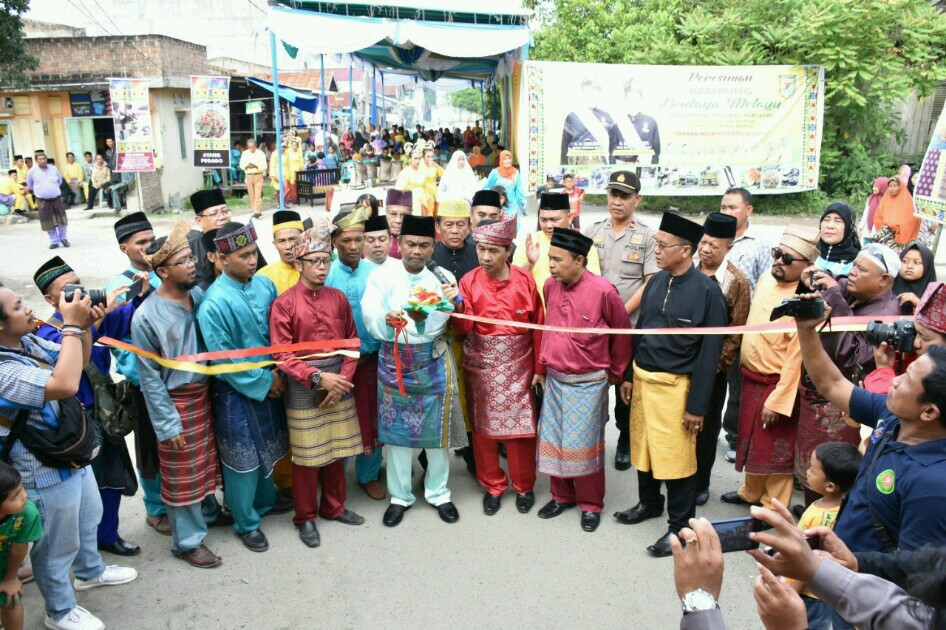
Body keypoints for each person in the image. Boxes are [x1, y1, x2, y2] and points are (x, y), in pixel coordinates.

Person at [0, 281, 138, 630]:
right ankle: (59, 611)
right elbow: (63, 385)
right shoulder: (2, 369)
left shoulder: (25, 340)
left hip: (69, 451)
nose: (29, 309)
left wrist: (85, 326)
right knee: (54, 546)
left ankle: (90, 572)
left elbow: (76, 361)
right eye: (18, 307)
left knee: (87, 518)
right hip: (40, 466)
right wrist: (72, 325)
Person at [793, 282, 946, 552]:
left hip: (862, 588)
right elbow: (831, 384)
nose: (892, 381)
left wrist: (850, 568)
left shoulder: (933, 484)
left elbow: (915, 571)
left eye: (906, 380)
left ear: (929, 411)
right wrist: (806, 329)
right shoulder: (890, 415)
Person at [615, 212, 727, 557]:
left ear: (686, 250)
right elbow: (641, 332)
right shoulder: (656, 283)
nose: (656, 250)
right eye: (656, 243)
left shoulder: (708, 293)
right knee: (644, 448)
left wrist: (697, 406)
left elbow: (710, 356)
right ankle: (648, 502)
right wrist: (630, 376)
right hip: (644, 383)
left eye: (663, 245)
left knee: (676, 460)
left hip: (677, 390)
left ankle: (680, 527)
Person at [34, 257, 147, 558]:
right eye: (67, 289)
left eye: (78, 284)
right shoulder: (45, 331)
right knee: (83, 490)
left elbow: (129, 322)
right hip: (73, 421)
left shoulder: (95, 312)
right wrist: (92, 321)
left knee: (112, 479)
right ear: (49, 299)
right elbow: (65, 353)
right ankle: (83, 552)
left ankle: (108, 535)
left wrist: (138, 295)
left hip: (104, 413)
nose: (78, 291)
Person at [361, 215, 465, 528]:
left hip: (431, 358)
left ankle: (438, 493)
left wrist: (450, 305)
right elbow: (370, 312)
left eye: (423, 245)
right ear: (399, 244)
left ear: (433, 245)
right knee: (397, 436)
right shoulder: (382, 274)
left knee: (437, 432)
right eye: (410, 244)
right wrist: (386, 318)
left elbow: (451, 316)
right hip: (395, 359)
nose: (416, 251)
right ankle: (400, 496)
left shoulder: (442, 275)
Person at [132, 222, 225, 568]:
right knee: (181, 472)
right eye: (184, 261)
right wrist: (167, 425)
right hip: (176, 403)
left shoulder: (197, 295)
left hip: (205, 395)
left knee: (204, 465)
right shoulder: (146, 317)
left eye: (191, 258)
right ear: (161, 271)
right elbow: (150, 379)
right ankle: (187, 542)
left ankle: (208, 513)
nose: (193, 265)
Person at [270, 222, 366, 548]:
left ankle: (334, 507)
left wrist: (342, 381)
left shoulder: (338, 298)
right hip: (304, 386)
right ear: (299, 264)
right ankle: (305, 517)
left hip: (339, 381)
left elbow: (352, 343)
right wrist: (316, 378)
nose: (322, 267)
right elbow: (282, 355)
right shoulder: (284, 304)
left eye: (326, 260)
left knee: (338, 451)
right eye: (315, 261)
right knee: (307, 458)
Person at [197, 221, 289, 552]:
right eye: (245, 255)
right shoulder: (214, 303)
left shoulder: (264, 286)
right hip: (236, 392)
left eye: (254, 253)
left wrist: (280, 371)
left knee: (269, 448)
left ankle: (264, 504)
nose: (253, 260)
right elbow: (224, 359)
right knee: (243, 461)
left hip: (273, 381)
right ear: (222, 259)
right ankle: (245, 521)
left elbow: (281, 333)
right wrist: (266, 381)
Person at [536, 228, 630, 532]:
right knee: (554, 441)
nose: (550, 265)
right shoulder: (551, 286)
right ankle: (561, 495)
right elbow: (547, 329)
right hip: (555, 379)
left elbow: (622, 335)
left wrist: (616, 374)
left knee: (586, 446)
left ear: (579, 260)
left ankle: (590, 504)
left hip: (588, 383)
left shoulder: (604, 291)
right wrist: (541, 366)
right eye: (550, 258)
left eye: (557, 259)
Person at [720, 226, 820, 512]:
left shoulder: (804, 301)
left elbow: (796, 360)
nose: (778, 261)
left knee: (776, 452)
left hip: (776, 385)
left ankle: (773, 508)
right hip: (751, 379)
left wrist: (778, 401)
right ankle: (750, 493)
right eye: (777, 254)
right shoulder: (766, 278)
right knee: (753, 445)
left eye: (788, 259)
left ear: (808, 267)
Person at [796, 244, 901, 501]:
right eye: (853, 265)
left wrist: (834, 297)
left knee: (832, 475)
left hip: (844, 408)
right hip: (818, 394)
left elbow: (853, 357)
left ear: (884, 280)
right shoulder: (856, 293)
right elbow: (836, 285)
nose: (851, 273)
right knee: (814, 469)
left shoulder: (887, 315)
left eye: (861, 269)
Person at [456, 218, 545, 515]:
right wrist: (454, 307)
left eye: (493, 250)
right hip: (481, 364)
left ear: (508, 251)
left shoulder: (525, 280)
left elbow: (538, 327)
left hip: (519, 364)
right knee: (483, 430)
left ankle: (524, 486)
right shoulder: (468, 281)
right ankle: (493, 485)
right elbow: (464, 327)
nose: (485, 257)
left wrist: (538, 369)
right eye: (481, 249)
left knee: (521, 431)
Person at [102, 213, 170, 535]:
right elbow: (116, 337)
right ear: (123, 248)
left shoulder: (164, 273)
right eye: (140, 243)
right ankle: (155, 509)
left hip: (177, 376)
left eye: (151, 240)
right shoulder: (117, 288)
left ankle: (183, 498)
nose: (148, 248)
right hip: (143, 382)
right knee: (150, 448)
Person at [583, 171, 656, 470]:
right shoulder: (591, 231)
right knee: (592, 385)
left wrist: (620, 313)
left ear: (636, 200)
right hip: (595, 328)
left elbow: (650, 282)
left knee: (626, 387)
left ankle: (625, 438)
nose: (617, 201)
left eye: (624, 195)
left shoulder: (648, 236)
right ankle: (590, 440)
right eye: (613, 194)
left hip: (629, 327)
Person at [325, 208, 386, 500]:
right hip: (336, 362)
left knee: (372, 416)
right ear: (334, 240)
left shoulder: (376, 273)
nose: (352, 247)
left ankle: (368, 473)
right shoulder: (325, 273)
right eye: (346, 240)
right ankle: (335, 477)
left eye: (357, 240)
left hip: (373, 358)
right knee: (338, 418)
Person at [693, 213, 750, 506]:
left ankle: (701, 482)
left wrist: (712, 369)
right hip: (679, 367)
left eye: (714, 245)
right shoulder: (686, 269)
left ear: (729, 246)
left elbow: (734, 335)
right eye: (703, 242)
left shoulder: (736, 282)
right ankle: (677, 476)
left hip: (713, 371)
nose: (705, 249)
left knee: (706, 427)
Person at [719, 187, 773, 462]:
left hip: (745, 326)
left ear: (748, 210)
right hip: (713, 325)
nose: (726, 212)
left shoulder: (760, 246)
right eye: (724, 207)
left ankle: (734, 436)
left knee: (738, 387)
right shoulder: (713, 238)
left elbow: (768, 285)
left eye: (733, 208)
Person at [793, 442, 862, 629]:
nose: (807, 472)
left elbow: (808, 558)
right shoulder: (846, 508)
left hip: (811, 593)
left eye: (813, 470)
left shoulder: (820, 518)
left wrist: (791, 591)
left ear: (830, 486)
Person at [515, 193, 601, 304]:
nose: (548, 225)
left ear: (570, 218)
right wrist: (530, 263)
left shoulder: (584, 248)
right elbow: (515, 282)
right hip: (535, 315)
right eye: (544, 220)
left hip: (570, 315)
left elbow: (593, 289)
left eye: (554, 220)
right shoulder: (529, 243)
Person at [187, 189, 267, 290]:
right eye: (214, 214)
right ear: (199, 221)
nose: (222, 217)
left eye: (225, 211)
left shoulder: (241, 238)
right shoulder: (190, 247)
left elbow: (263, 272)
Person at [0, 463, 43, 630]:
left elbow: (19, 546)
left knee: (11, 597)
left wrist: (10, 578)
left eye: (22, 488)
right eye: (15, 496)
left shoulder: (26, 513)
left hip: (4, 559)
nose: (25, 496)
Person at [560, 77, 619, 165]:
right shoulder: (572, 117)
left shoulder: (607, 117)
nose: (591, 97)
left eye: (594, 93)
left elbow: (613, 148)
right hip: (578, 168)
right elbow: (565, 149)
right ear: (583, 94)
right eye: (588, 94)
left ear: (599, 95)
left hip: (601, 167)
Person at [26, 151, 69, 249]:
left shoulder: (53, 169)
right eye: (40, 159)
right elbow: (30, 185)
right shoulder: (32, 172)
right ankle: (54, 241)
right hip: (42, 201)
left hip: (56, 199)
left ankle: (63, 238)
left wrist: (51, 189)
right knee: (47, 221)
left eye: (44, 159)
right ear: (36, 161)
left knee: (62, 219)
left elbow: (59, 181)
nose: (42, 161)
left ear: (46, 159)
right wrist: (41, 191)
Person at [615, 78, 661, 167]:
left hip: (644, 169)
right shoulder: (619, 124)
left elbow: (656, 153)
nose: (633, 100)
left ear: (640, 99)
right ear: (626, 99)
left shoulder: (651, 122)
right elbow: (614, 153)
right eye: (630, 97)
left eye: (636, 96)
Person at [257, 210, 304, 295]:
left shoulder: (316, 269)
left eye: (292, 239)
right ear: (275, 244)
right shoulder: (263, 277)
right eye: (281, 241)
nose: (288, 246)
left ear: (303, 239)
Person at [814, 202, 861, 277]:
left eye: (838, 221)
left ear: (848, 228)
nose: (830, 226)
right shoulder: (811, 253)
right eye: (826, 220)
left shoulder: (857, 263)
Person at [873, 174, 920, 248]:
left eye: (895, 186)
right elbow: (878, 216)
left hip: (902, 240)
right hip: (885, 237)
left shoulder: (907, 201)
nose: (892, 188)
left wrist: (897, 229)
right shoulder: (886, 199)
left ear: (900, 186)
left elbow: (913, 220)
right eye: (890, 186)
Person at [893, 241, 936, 314]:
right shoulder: (886, 285)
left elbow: (939, 319)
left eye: (916, 262)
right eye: (904, 261)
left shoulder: (937, 292)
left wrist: (919, 303)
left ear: (927, 266)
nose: (909, 266)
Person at [483, 151, 526, 218]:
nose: (507, 161)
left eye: (509, 158)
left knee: (512, 226)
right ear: (501, 160)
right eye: (504, 159)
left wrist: (523, 202)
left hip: (512, 206)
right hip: (498, 205)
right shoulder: (495, 172)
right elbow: (487, 187)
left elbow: (519, 190)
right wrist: (493, 198)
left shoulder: (515, 173)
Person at [394, 143, 431, 216]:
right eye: (415, 158)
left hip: (423, 200)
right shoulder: (405, 172)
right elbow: (398, 190)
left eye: (419, 158)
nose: (418, 161)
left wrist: (428, 196)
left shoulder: (423, 171)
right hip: (410, 200)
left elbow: (427, 186)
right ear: (409, 159)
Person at [239, 139, 267, 219]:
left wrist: (256, 166)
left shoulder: (261, 153)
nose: (251, 149)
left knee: (258, 193)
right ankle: (255, 209)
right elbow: (241, 165)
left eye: (253, 147)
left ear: (255, 146)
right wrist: (247, 166)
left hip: (258, 174)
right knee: (251, 194)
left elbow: (264, 166)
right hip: (248, 175)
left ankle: (257, 211)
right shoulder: (245, 153)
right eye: (250, 147)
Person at [384, 188, 413, 260]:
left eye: (404, 215)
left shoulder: (418, 238)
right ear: (386, 213)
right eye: (393, 214)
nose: (398, 220)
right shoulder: (376, 237)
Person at [858, 177, 889, 244]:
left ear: (883, 187)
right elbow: (865, 214)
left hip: (879, 232)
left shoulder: (887, 201)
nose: (873, 188)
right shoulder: (870, 199)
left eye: (876, 187)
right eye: (873, 186)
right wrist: (860, 228)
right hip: (867, 231)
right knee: (865, 249)